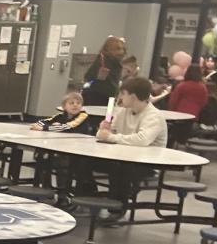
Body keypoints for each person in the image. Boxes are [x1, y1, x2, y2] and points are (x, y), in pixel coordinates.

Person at [75, 77, 166, 223]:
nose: (120, 97)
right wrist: (103, 129)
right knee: (83, 160)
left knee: (121, 168)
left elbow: (142, 140)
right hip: (122, 156)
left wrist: (111, 136)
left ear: (133, 97)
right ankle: (89, 198)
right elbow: (107, 133)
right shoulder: (124, 111)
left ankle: (117, 210)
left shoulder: (154, 116)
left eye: (123, 93)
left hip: (145, 163)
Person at [166, 65, 209, 147]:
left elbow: (173, 100)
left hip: (179, 113)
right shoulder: (203, 87)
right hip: (193, 115)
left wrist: (171, 112)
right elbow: (204, 101)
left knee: (173, 132)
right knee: (185, 132)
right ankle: (182, 143)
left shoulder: (182, 85)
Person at [81, 36, 125, 105]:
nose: (121, 52)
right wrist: (97, 77)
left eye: (122, 49)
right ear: (109, 49)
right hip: (96, 97)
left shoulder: (117, 63)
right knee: (101, 112)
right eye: (118, 49)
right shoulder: (102, 61)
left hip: (110, 97)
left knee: (108, 112)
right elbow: (88, 78)